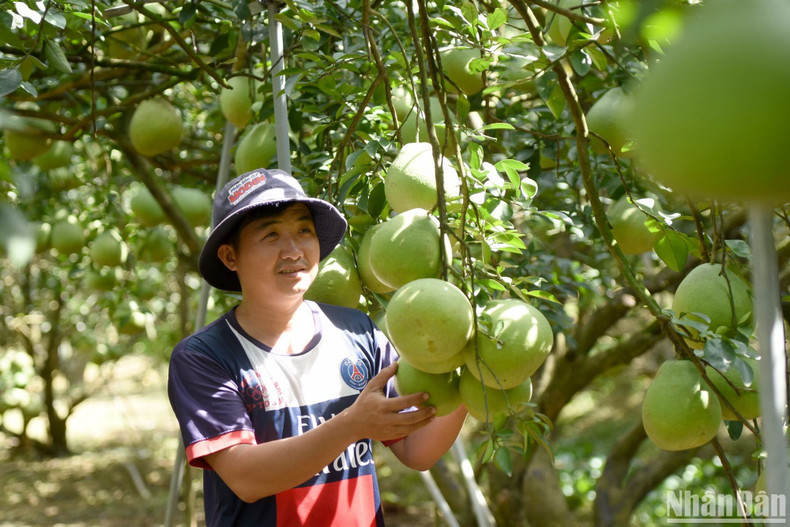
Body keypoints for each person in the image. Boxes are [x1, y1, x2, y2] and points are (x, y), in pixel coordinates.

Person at [167, 168, 468, 526]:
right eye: (272, 234)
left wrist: (470, 366)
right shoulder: (205, 357)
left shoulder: (356, 331)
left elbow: (416, 450)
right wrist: (350, 426)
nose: (293, 250)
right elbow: (246, 477)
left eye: (304, 231)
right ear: (231, 257)